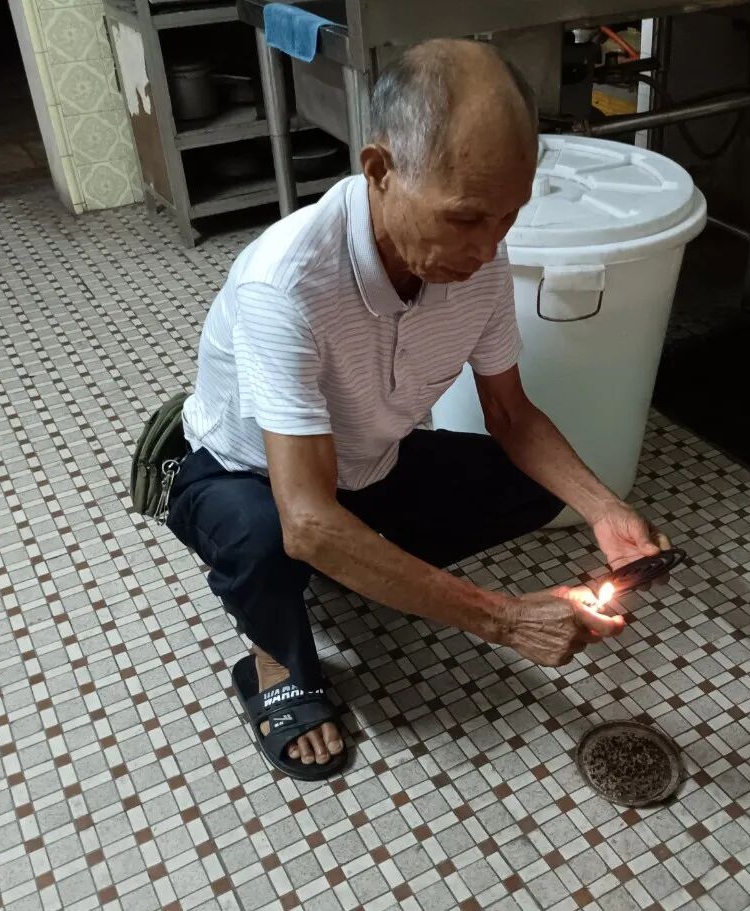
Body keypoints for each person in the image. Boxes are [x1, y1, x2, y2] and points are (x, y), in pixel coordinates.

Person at [165, 38, 670, 780]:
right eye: (466, 218)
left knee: (530, 486)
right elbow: (305, 514)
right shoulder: (286, 283)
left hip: (371, 461)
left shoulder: (482, 258)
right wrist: (502, 618)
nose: (488, 247)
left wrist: (603, 508)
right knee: (274, 536)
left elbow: (511, 414)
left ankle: (352, 560)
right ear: (379, 169)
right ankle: (275, 659)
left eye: (508, 216)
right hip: (244, 477)